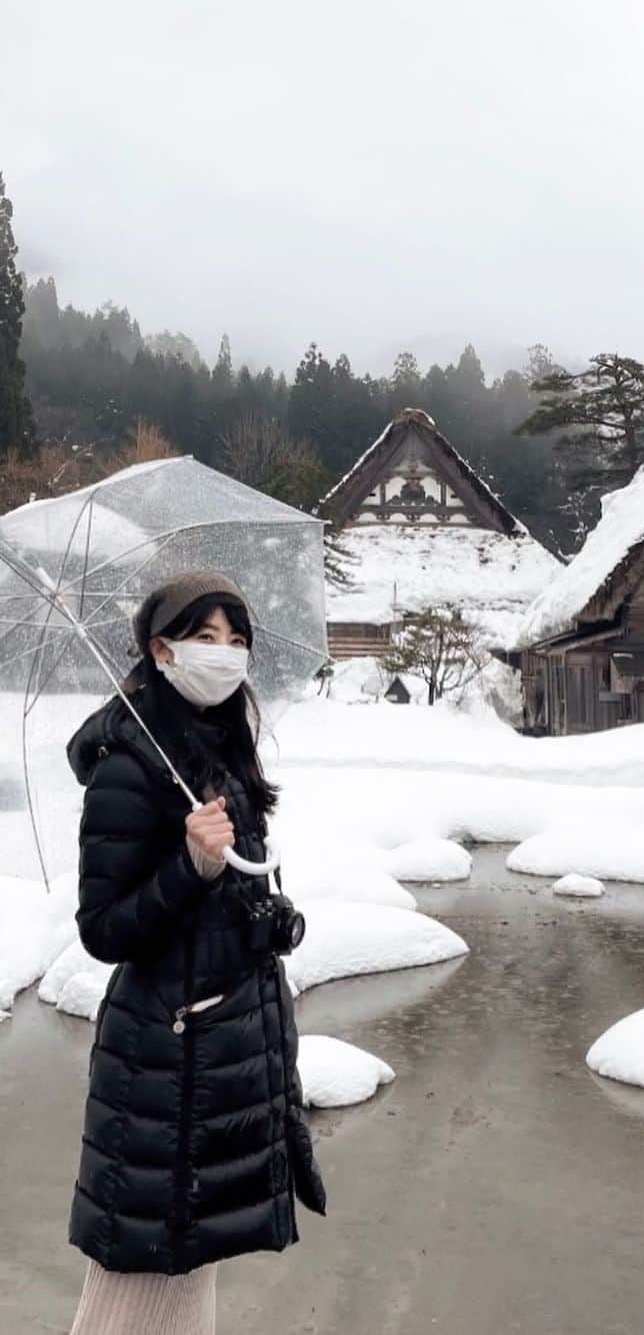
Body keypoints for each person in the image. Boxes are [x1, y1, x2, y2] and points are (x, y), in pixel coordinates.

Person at [65, 570, 326, 1335]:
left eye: (238, 641)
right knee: (133, 1290)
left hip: (219, 1068)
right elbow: (103, 928)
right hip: (165, 1077)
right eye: (205, 638)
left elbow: (225, 908)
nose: (225, 655)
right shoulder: (129, 766)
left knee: (186, 1288)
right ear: (162, 650)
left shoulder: (219, 755)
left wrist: (265, 915)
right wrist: (190, 869)